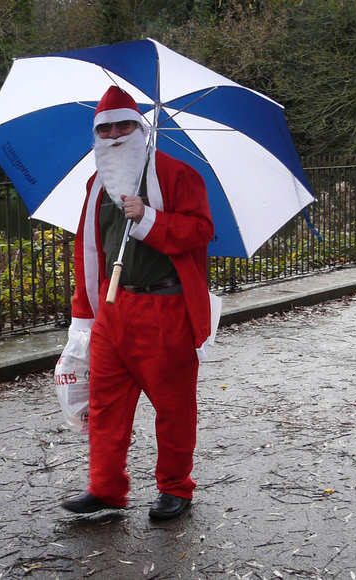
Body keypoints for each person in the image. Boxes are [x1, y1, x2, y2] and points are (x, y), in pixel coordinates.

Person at [60, 85, 215, 520]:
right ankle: (106, 488)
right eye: (105, 128)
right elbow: (87, 251)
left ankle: (175, 489)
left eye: (123, 125)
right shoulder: (96, 184)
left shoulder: (178, 173)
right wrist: (83, 317)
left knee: (173, 408)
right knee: (106, 404)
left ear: (140, 127)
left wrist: (147, 217)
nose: (114, 134)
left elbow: (201, 230)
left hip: (165, 310)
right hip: (113, 310)